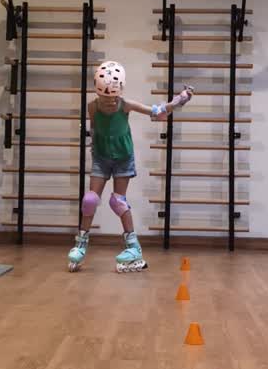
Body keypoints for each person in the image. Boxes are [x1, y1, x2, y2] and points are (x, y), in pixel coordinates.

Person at [69, 61, 193, 272]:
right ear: (98, 94)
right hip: (101, 157)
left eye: (113, 98)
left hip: (123, 158)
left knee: (118, 202)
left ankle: (133, 248)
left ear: (120, 92)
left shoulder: (126, 104)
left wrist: (179, 101)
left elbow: (157, 111)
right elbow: (94, 129)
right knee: (90, 200)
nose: (110, 102)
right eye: (105, 98)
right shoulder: (91, 107)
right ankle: (80, 244)